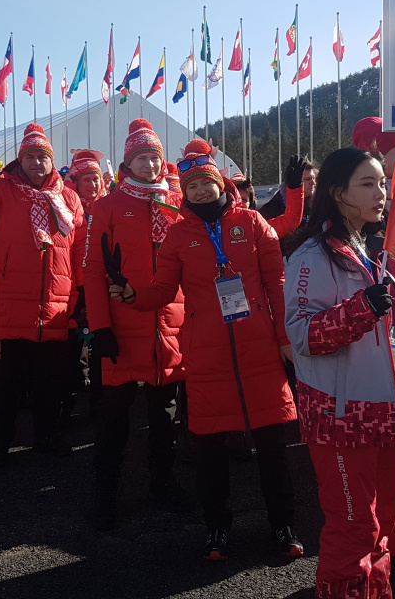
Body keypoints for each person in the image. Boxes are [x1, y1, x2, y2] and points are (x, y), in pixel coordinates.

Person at [109, 138, 301, 563]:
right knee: (210, 452)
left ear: (219, 184)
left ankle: (282, 524)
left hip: (261, 351)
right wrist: (131, 294)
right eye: (190, 186)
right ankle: (216, 528)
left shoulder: (253, 223)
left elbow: (277, 284)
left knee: (272, 447)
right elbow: (161, 290)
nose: (198, 192)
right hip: (207, 354)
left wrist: (286, 339)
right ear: (185, 191)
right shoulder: (178, 235)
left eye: (205, 184)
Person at [284, 147, 395, 599]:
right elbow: (303, 336)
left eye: (382, 182)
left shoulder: (373, 248)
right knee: (353, 528)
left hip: (388, 408)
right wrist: (362, 309)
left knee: (380, 524)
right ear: (336, 192)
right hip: (342, 417)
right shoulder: (311, 256)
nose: (380, 192)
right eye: (367, 183)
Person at [0, 122, 85, 467]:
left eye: (42, 157)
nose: (36, 163)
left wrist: (82, 292)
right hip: (10, 305)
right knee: (5, 387)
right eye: (29, 156)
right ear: (20, 160)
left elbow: (79, 250)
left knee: (49, 384)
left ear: (50, 160)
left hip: (55, 307)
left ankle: (45, 437)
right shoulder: (2, 189)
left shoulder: (69, 197)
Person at [84, 119, 189, 531]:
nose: (149, 165)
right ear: (127, 162)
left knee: (165, 415)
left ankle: (162, 483)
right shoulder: (106, 205)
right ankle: (104, 495)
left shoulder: (176, 201)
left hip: (169, 324)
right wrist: (100, 326)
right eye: (141, 158)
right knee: (113, 420)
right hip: (122, 326)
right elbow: (92, 270)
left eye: (155, 158)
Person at [64, 148, 106, 425]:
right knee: (70, 346)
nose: (92, 185)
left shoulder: (109, 206)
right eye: (86, 179)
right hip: (73, 288)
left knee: (101, 346)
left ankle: (99, 405)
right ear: (75, 182)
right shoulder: (64, 208)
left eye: (96, 179)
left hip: (103, 286)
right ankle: (66, 405)